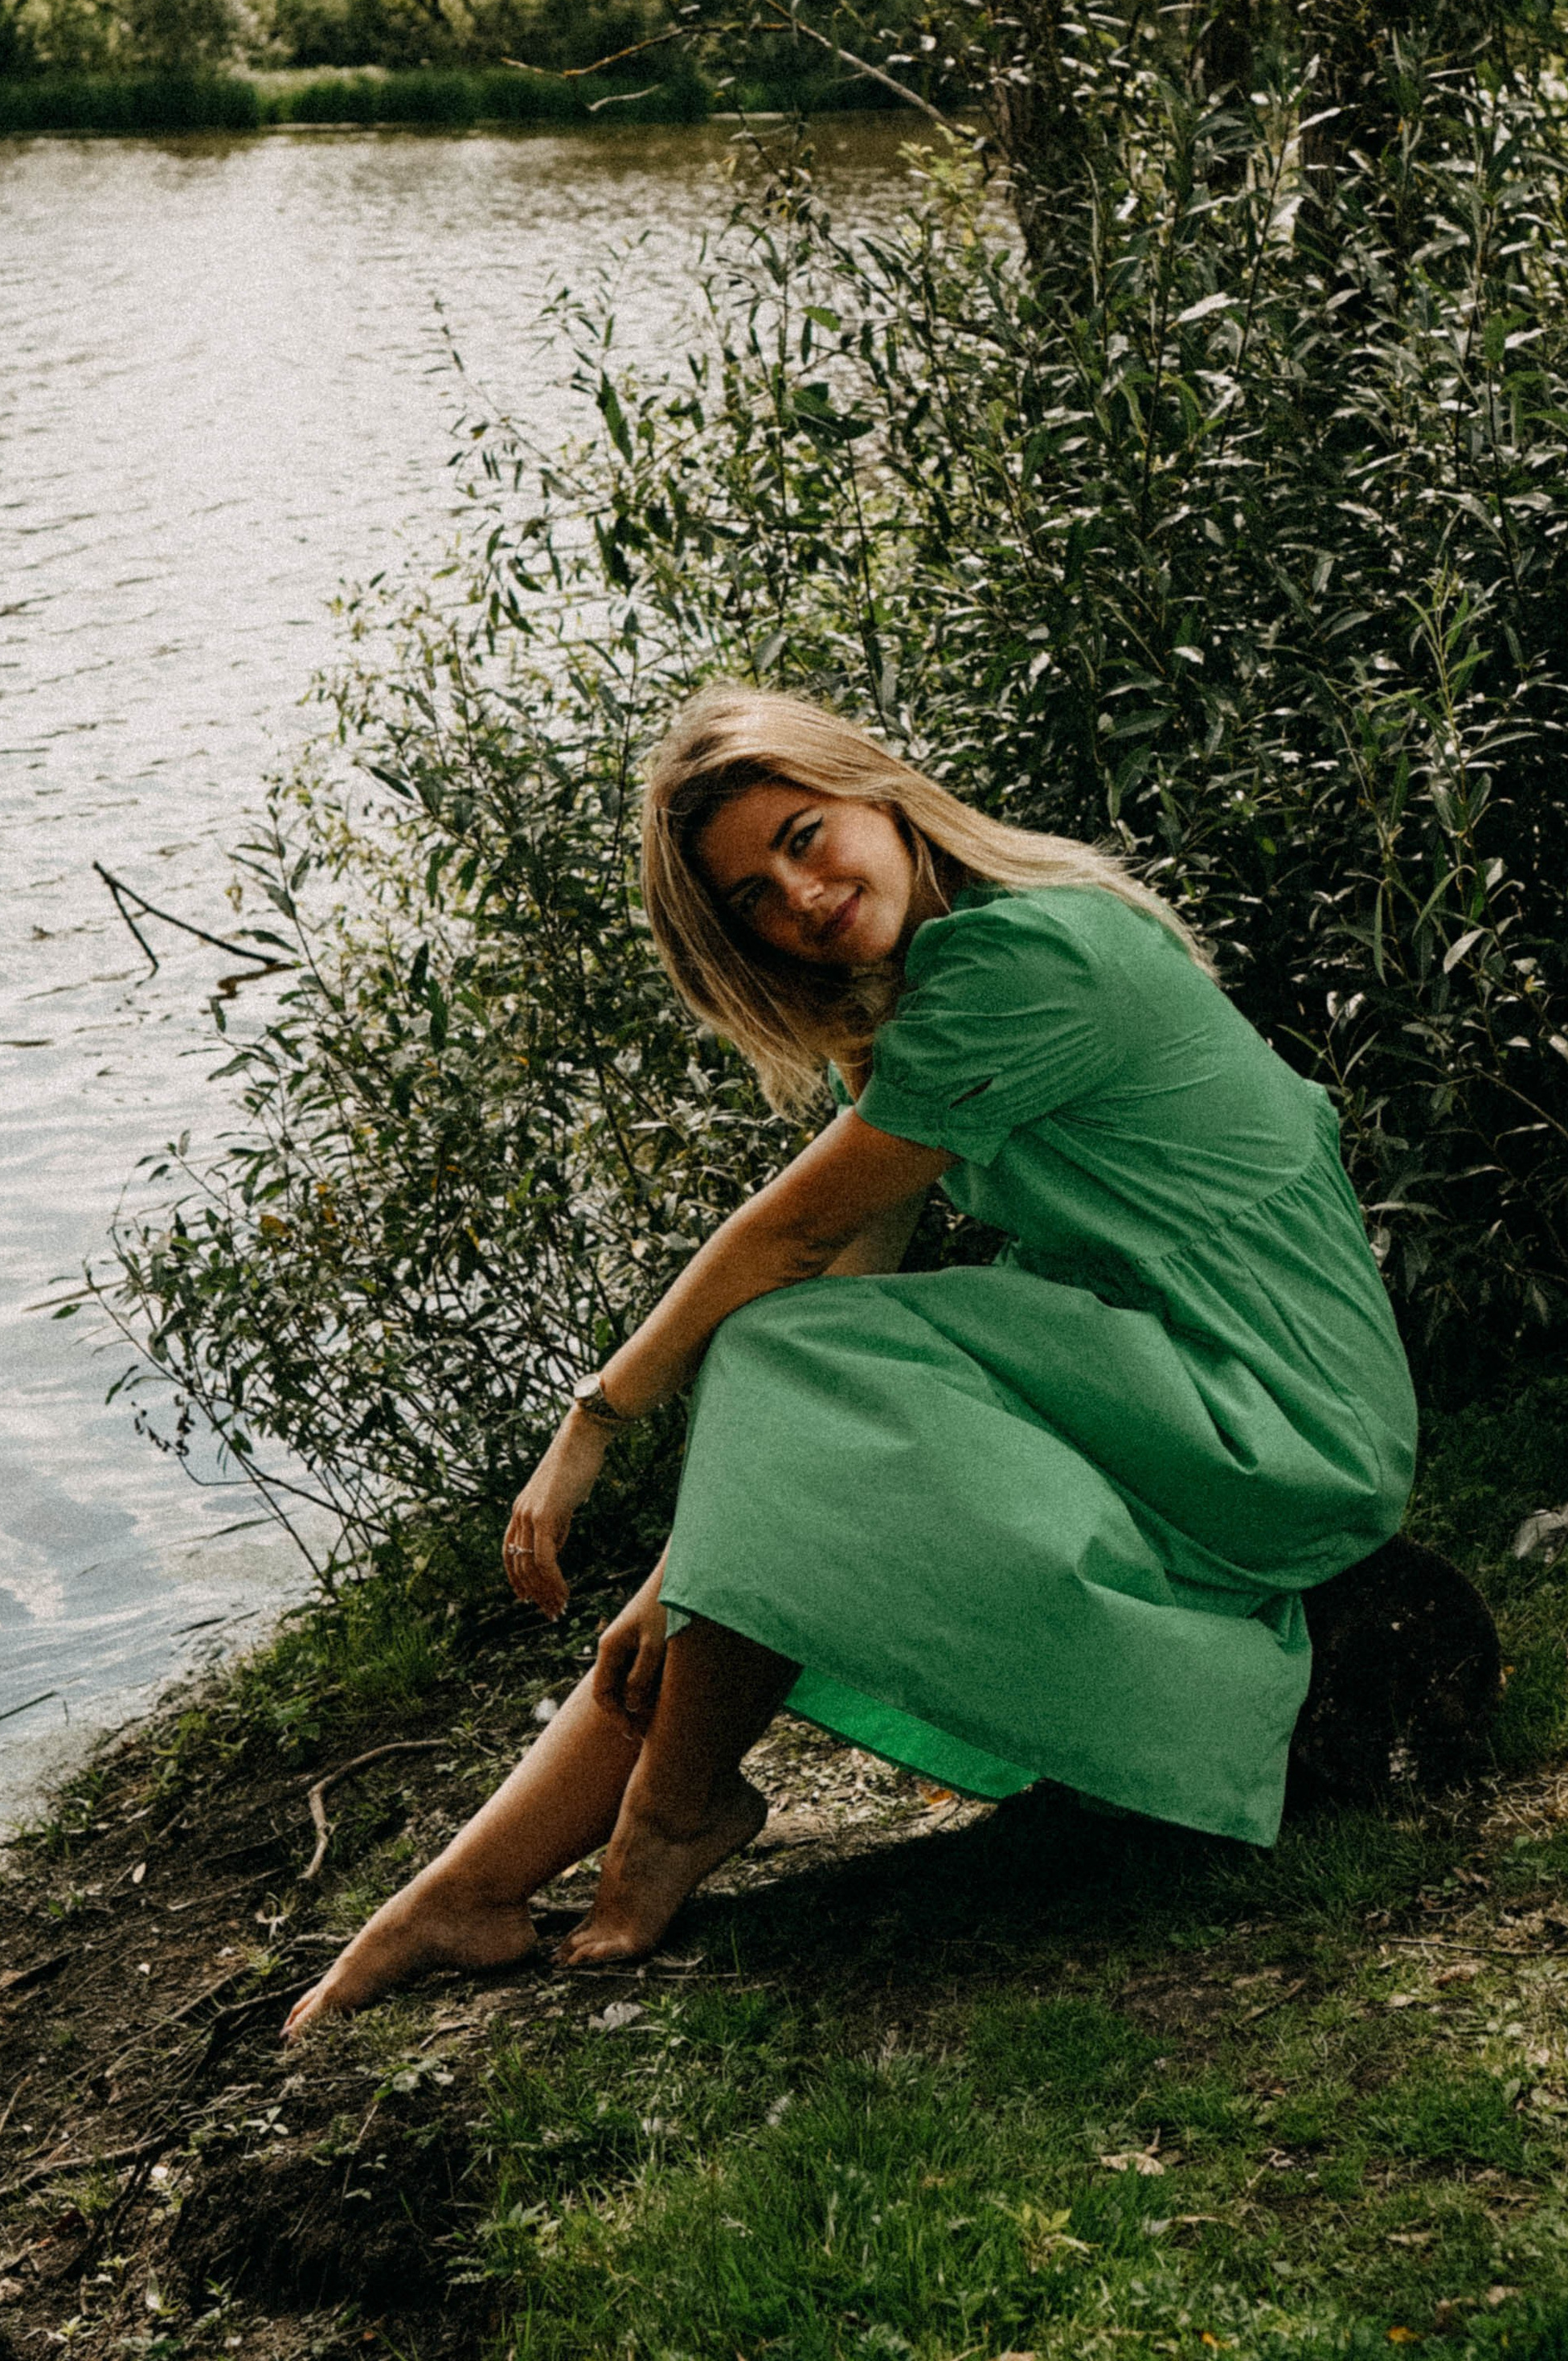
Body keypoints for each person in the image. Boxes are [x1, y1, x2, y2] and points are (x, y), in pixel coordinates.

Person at [284, 687, 1416, 2040]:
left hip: (1276, 1408)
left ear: (878, 791)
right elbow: (848, 1309)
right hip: (1172, 1368)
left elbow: (797, 1231)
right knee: (786, 1373)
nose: (803, 895)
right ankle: (466, 1891)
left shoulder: (1026, 962)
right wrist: (692, 1565)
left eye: (809, 836)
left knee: (771, 1334)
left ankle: (669, 1817)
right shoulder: (916, 1004)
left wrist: (595, 1421)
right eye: (757, 894)